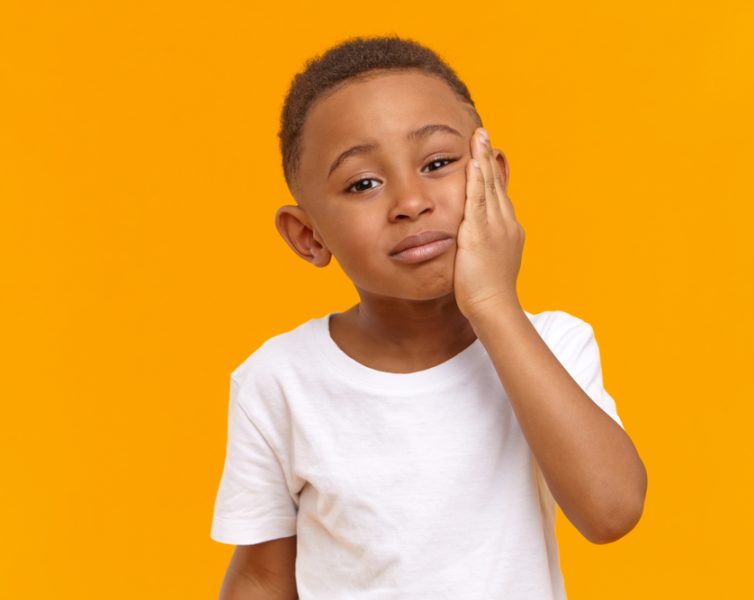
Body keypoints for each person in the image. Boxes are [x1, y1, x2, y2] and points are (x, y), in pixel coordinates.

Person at [210, 35, 647, 599]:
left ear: (493, 177)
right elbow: (264, 575)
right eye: (363, 183)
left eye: (438, 163)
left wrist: (492, 302)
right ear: (307, 234)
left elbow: (610, 511)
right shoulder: (279, 380)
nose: (411, 202)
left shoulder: (553, 344)